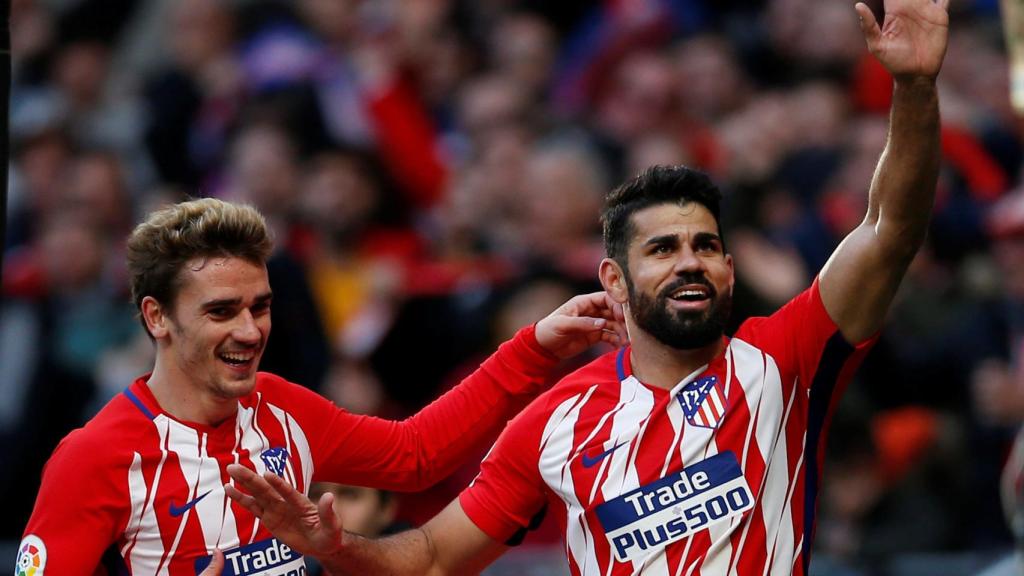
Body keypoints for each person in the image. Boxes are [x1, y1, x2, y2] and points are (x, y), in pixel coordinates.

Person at [223, 0, 950, 574]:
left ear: (731, 269)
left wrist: (914, 89)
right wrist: (333, 547)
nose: (690, 262)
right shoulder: (556, 421)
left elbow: (889, 230)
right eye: (662, 249)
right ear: (614, 278)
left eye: (707, 246)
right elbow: (436, 558)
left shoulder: (783, 360)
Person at [15, 197, 627, 575]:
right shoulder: (94, 456)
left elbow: (416, 455)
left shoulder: (278, 405)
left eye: (261, 306)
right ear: (157, 318)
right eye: (222, 311)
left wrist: (536, 344)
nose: (251, 330)